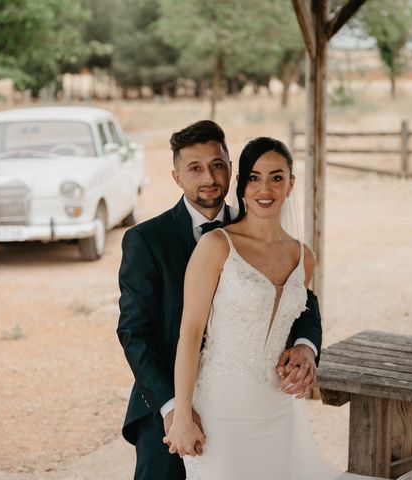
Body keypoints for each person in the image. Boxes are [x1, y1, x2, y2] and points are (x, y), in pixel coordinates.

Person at [163, 137, 412, 480]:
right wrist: (181, 415)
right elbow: (190, 335)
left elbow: (301, 317)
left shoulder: (304, 257)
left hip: (279, 409)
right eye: (254, 177)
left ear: (290, 183)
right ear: (242, 186)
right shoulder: (216, 246)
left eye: (276, 177)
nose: (264, 188)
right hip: (219, 412)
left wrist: (305, 348)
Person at [117, 122, 324, 480]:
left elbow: (302, 301)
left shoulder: (257, 228)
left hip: (252, 403)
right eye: (195, 169)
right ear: (177, 177)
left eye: (217, 165)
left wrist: (306, 346)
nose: (209, 177)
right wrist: (173, 411)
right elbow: (135, 333)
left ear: (232, 170)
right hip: (167, 406)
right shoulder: (146, 240)